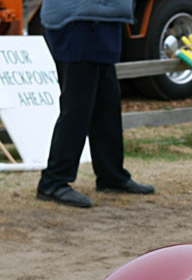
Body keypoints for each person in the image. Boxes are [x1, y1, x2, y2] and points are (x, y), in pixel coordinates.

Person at [36, 0, 155, 209]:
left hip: (101, 21)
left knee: (107, 106)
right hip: (78, 23)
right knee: (77, 109)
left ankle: (111, 175)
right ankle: (53, 181)